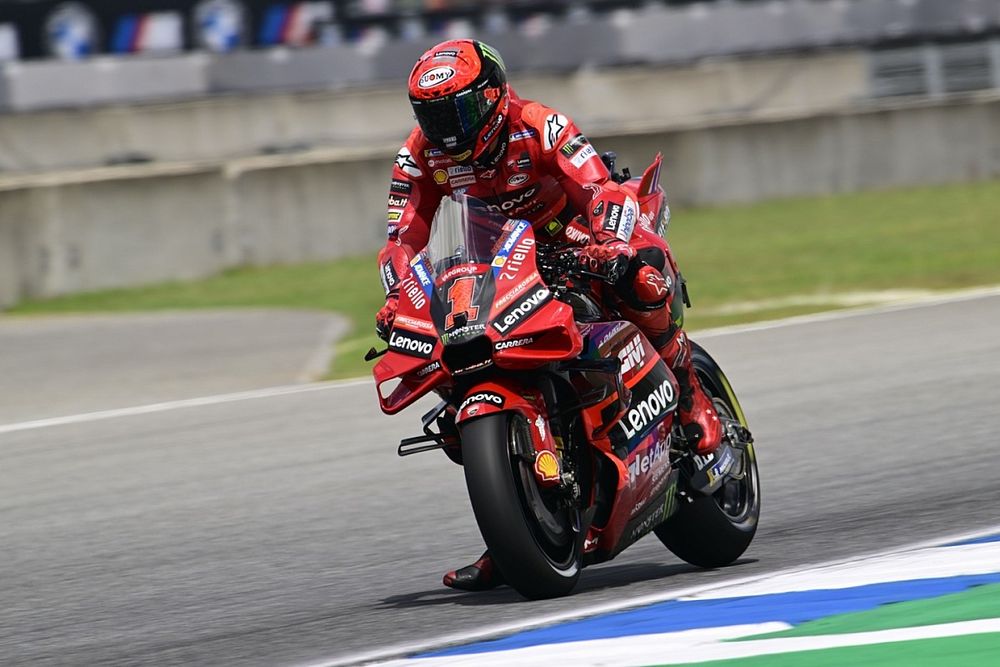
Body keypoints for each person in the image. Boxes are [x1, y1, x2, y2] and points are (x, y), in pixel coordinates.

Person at [375, 39, 722, 591]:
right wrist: (399, 296)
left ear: (490, 95)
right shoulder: (419, 154)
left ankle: (693, 404)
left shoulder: (539, 123)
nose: (445, 126)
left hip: (571, 238)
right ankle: (518, 525)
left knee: (642, 275)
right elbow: (402, 238)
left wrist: (609, 242)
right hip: (491, 264)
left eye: (456, 110)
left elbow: (599, 186)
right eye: (431, 113)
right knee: (443, 362)